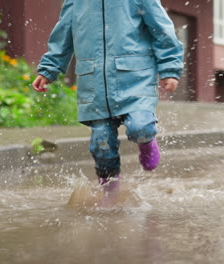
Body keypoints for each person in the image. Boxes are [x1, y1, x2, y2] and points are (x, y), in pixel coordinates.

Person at [32, 0, 184, 201]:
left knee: (140, 127)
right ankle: (110, 195)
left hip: (135, 77)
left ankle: (147, 142)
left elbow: (161, 30)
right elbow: (62, 36)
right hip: (95, 83)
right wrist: (48, 70)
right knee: (101, 144)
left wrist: (169, 69)